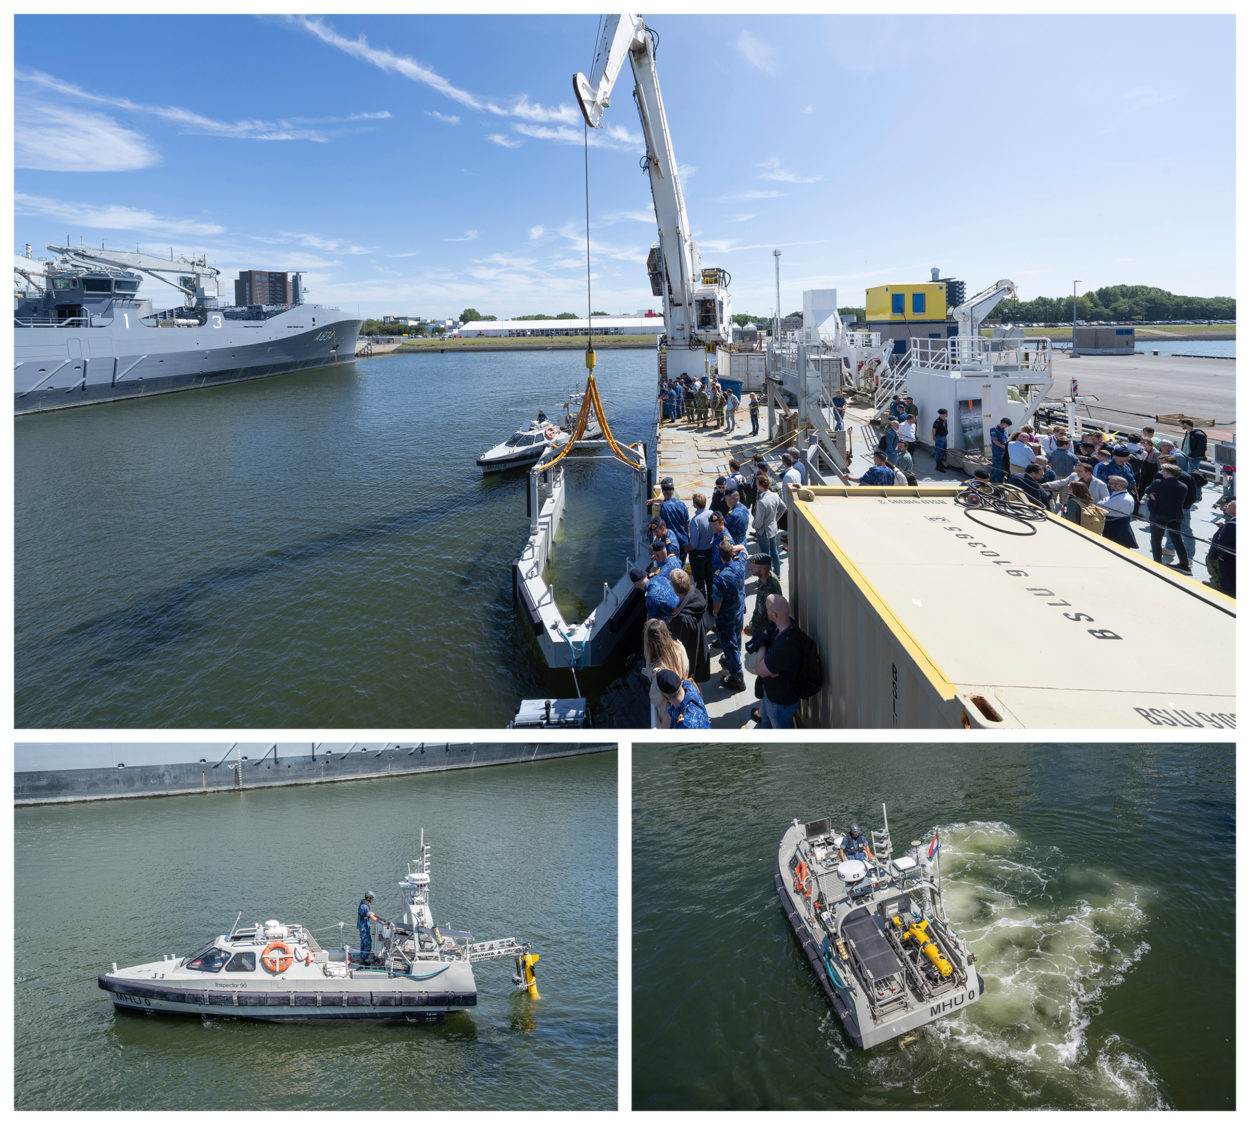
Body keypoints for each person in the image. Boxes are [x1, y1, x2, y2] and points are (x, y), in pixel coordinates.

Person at [753, 593, 803, 731]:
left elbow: (759, 670)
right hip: (770, 693)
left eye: (767, 608)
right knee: (766, 719)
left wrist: (762, 646)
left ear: (774, 614)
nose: (765, 609)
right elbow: (765, 632)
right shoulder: (782, 624)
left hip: (780, 704)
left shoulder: (784, 648)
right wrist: (766, 658)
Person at [643, 618, 690, 731]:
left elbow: (655, 700)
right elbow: (687, 670)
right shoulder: (680, 647)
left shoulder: (658, 672)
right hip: (684, 699)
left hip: (669, 712)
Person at [712, 540, 747, 690]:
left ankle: (737, 676)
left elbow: (717, 600)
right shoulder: (740, 563)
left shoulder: (720, 577)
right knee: (737, 637)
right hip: (738, 610)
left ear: (719, 554)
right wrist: (733, 548)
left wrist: (716, 612)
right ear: (733, 553)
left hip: (727, 615)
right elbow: (744, 548)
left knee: (729, 643)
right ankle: (733, 660)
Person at [667, 567, 711, 683]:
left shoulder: (683, 618)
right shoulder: (697, 595)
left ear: (675, 590)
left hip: (690, 660)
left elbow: (680, 646)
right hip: (700, 649)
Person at [1144, 465, 1190, 572]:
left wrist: (1152, 494)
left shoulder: (1159, 483)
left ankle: (1157, 563)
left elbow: (1147, 489)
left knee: (1156, 539)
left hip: (1159, 515)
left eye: (1163, 471)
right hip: (1176, 516)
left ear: (1167, 473)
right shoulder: (1183, 486)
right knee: (1177, 540)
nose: (1161, 472)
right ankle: (1184, 565)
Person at [646, 477, 689, 561]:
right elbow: (687, 524)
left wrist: (657, 540)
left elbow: (662, 525)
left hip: (671, 540)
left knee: (672, 561)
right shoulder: (682, 505)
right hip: (683, 539)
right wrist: (689, 538)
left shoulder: (664, 506)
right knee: (682, 562)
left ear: (664, 494)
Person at [745, 553, 783, 642]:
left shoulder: (771, 592)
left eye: (753, 567)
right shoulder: (764, 577)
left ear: (762, 571)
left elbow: (775, 621)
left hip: (764, 635)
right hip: (758, 628)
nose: (750, 567)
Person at [686, 492, 716, 605]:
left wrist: (686, 549)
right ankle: (711, 604)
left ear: (694, 505)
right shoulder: (711, 513)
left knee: (699, 581)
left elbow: (693, 544)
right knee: (710, 579)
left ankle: (701, 604)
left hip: (698, 554)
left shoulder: (695, 520)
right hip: (710, 551)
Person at [752, 472, 784, 574]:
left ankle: (768, 577)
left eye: (757, 484)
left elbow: (759, 522)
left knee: (765, 555)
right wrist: (775, 519)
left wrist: (754, 526)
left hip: (763, 532)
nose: (756, 485)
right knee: (774, 552)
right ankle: (777, 574)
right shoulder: (775, 495)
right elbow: (783, 508)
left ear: (760, 486)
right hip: (773, 529)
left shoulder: (761, 502)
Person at [1206, 499, 1238, 597]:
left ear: (1236, 511)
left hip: (1228, 561)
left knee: (1228, 584)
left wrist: (1221, 555)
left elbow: (1224, 542)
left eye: (1230, 505)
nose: (1226, 505)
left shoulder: (1231, 525)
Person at [1098, 476, 1138, 549]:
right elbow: (1106, 500)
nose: (1108, 484)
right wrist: (1105, 500)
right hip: (1115, 525)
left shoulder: (1121, 498)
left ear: (1119, 486)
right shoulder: (1119, 495)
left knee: (1116, 548)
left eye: (1110, 483)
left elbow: (1100, 506)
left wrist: (1104, 501)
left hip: (1116, 527)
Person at [357, 891, 382, 963]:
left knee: (363, 943)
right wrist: (382, 924)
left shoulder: (364, 903)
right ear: (368, 898)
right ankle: (363, 960)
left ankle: (362, 959)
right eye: (372, 898)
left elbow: (372, 913)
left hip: (362, 927)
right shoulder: (365, 906)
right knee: (368, 944)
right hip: (364, 928)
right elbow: (372, 917)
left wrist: (380, 918)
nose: (373, 899)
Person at [990, 417, 1011, 483]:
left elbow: (1006, 439)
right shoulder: (994, 429)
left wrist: (1007, 446)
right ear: (1004, 423)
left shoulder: (1004, 430)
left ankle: (1001, 482)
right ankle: (994, 483)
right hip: (997, 452)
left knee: (1003, 469)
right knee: (996, 469)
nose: (1007, 427)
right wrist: (1003, 447)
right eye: (1007, 425)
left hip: (1004, 453)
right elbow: (995, 440)